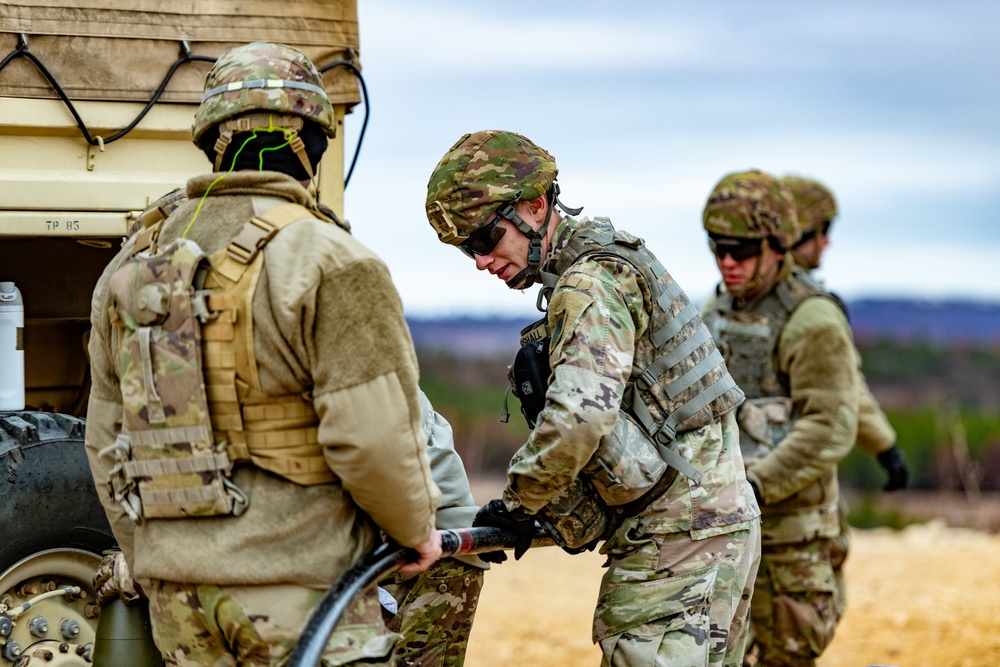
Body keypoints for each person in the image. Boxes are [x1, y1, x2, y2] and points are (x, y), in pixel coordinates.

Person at [84, 42, 442, 666]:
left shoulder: (131, 266)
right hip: (300, 591)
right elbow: (373, 438)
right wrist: (416, 534)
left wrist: (153, 558)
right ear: (315, 144)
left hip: (178, 603)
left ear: (210, 143)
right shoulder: (330, 259)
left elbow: (106, 441)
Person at [424, 129, 761, 667]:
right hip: (706, 529)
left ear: (536, 207)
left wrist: (517, 503)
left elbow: (580, 416)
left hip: (677, 542)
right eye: (467, 249)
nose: (482, 261)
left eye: (486, 239)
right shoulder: (604, 262)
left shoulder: (588, 283)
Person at [699, 169, 861, 666]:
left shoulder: (811, 319)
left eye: (742, 251)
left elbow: (829, 426)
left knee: (787, 655)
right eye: (716, 247)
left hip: (791, 535)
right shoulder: (719, 307)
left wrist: (752, 485)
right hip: (730, 530)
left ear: (777, 245)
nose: (727, 262)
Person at [779, 174, 908, 623]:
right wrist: (885, 447)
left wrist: (883, 443)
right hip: (796, 490)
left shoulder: (730, 299)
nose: (827, 244)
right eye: (822, 232)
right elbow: (848, 390)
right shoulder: (812, 308)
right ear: (800, 234)